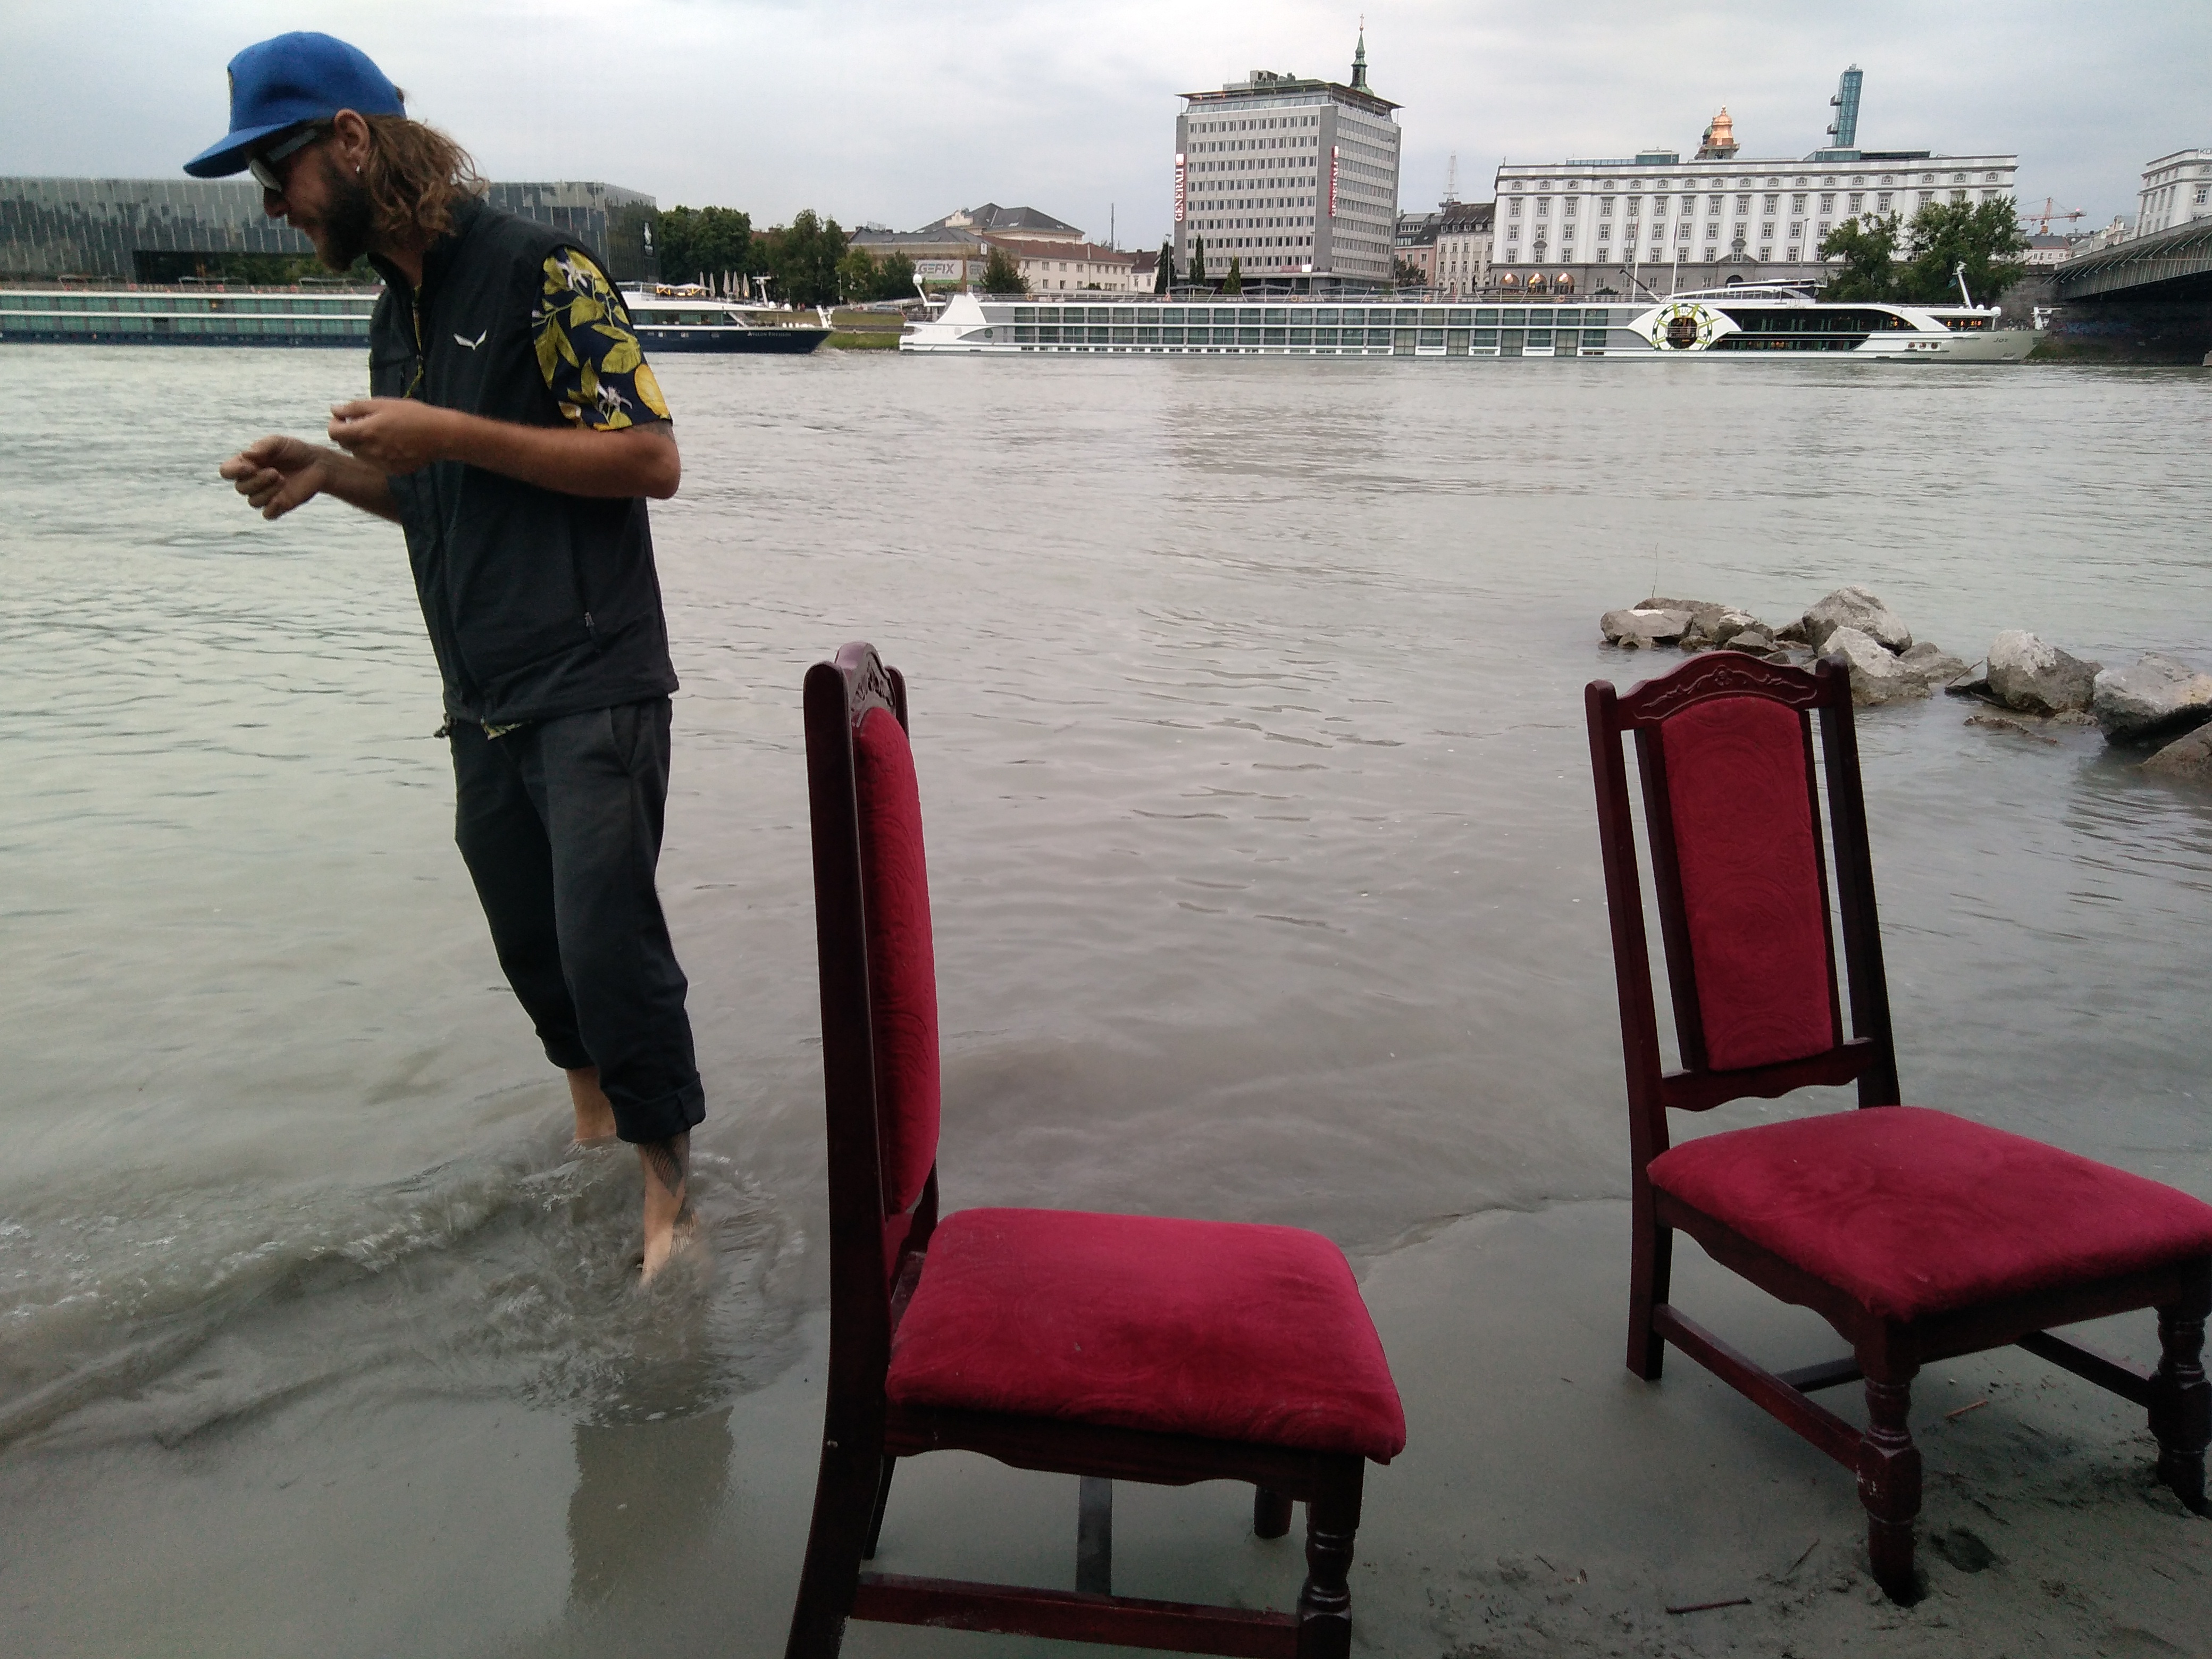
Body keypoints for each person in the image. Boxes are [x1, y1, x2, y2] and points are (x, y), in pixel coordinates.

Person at [198, 33, 704, 1279]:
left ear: (352, 139)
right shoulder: (393, 317)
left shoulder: (547, 271)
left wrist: (452, 434)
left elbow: (652, 460)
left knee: (606, 947)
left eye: (277, 172)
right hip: (481, 700)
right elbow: (437, 493)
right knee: (534, 952)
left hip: (594, 680)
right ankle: (592, 1143)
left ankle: (669, 1208)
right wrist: (334, 473)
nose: (272, 206)